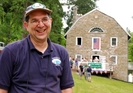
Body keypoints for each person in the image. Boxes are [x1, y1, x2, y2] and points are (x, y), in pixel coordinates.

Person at [0, 2, 74, 93]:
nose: (41, 25)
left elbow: (66, 88)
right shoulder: (11, 51)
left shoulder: (62, 52)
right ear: (26, 25)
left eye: (44, 19)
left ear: (50, 21)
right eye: (34, 21)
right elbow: (2, 89)